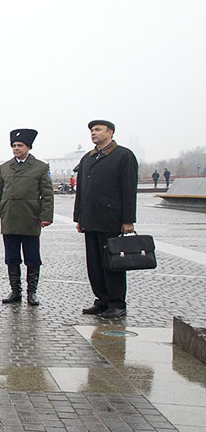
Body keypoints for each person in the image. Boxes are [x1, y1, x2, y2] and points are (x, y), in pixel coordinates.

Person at [73, 119, 138, 319]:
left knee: (112, 263)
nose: (93, 133)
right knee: (94, 264)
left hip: (111, 218)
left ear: (110, 132)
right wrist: (78, 217)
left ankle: (117, 302)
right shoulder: (88, 158)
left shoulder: (123, 156)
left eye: (98, 129)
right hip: (91, 219)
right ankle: (101, 300)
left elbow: (128, 189)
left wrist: (128, 220)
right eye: (92, 130)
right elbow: (81, 190)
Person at [0, 129, 54, 306]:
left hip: (30, 218)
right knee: (12, 257)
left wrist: (46, 216)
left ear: (28, 147)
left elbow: (47, 194)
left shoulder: (40, 167)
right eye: (14, 146)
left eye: (20, 145)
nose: (16, 148)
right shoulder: (5, 167)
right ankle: (15, 291)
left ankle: (32, 292)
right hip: (9, 218)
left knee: (32, 257)